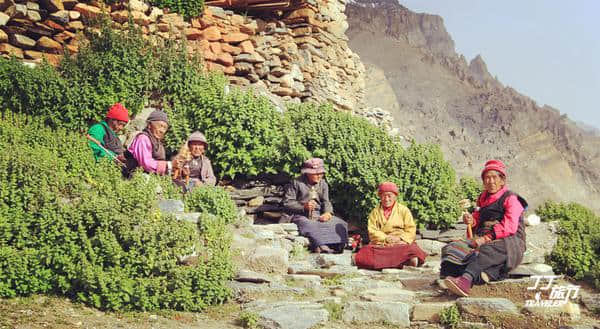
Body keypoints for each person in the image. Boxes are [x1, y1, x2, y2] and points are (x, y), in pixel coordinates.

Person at [441, 159, 527, 297]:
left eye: (494, 177)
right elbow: (477, 218)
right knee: (453, 247)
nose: (490, 181)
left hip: (510, 241)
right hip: (482, 237)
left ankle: (465, 281)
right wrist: (471, 220)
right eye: (487, 178)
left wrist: (485, 239)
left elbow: (509, 227)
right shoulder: (483, 198)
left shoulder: (511, 198)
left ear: (502, 180)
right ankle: (449, 278)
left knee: (486, 250)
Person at [353, 182, 427, 270]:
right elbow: (372, 230)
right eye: (383, 196)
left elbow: (411, 229)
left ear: (395, 196)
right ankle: (404, 262)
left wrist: (400, 239)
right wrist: (386, 238)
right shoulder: (375, 212)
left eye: (389, 196)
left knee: (412, 249)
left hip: (400, 243)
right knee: (366, 251)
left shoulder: (404, 210)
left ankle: (394, 262)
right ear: (380, 197)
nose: (386, 199)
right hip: (383, 244)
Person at [282, 158, 348, 253]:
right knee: (310, 225)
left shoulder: (323, 184)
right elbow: (287, 202)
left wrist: (328, 213)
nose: (319, 176)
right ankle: (321, 246)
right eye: (316, 174)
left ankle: (338, 245)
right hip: (300, 215)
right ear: (307, 173)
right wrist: (304, 207)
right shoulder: (296, 183)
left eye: (320, 173)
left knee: (340, 223)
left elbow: (326, 201)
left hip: (319, 214)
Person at [124, 110, 172, 176]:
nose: (162, 131)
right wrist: (166, 166)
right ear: (149, 125)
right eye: (160, 126)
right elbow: (146, 163)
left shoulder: (158, 142)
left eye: (165, 128)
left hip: (153, 176)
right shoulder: (143, 138)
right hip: (137, 175)